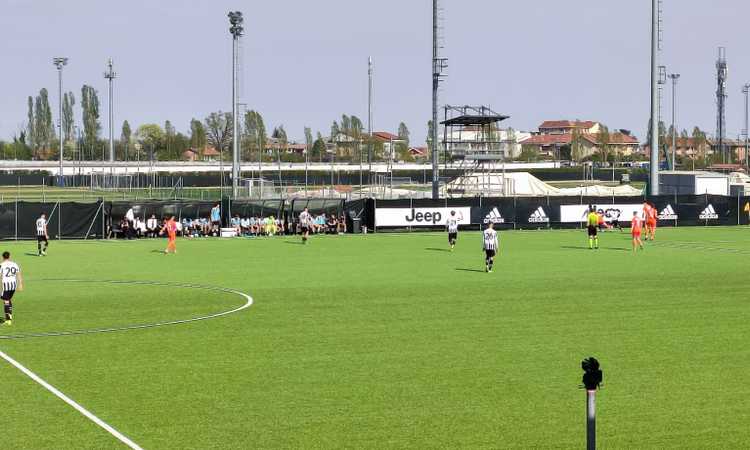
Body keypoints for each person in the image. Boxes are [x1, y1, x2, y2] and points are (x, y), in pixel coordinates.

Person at [1, 251, 22, 326]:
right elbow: (18, 274)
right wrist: (20, 285)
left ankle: (8, 320)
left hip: (6, 286)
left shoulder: (1, 265)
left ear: (3, 257)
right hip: (13, 285)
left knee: (6, 301)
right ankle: (10, 315)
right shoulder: (15, 264)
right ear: (9, 256)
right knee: (8, 299)